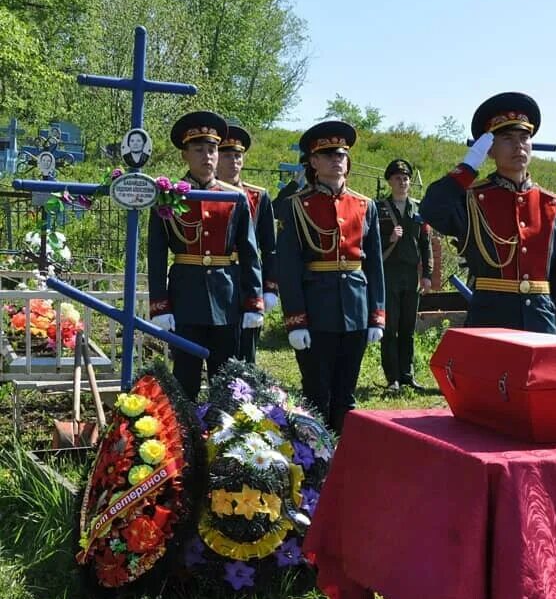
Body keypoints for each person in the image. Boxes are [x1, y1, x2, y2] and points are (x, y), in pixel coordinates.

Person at [420, 91, 556, 336]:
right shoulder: (472, 200)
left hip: (541, 321)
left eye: (524, 138)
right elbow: (431, 208)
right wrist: (469, 166)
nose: (518, 146)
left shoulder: (554, 205)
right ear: (490, 149)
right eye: (507, 138)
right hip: (491, 318)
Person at [273, 120, 385, 433]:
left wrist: (377, 315)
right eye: (328, 154)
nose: (337, 159)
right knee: (316, 392)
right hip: (316, 308)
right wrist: (295, 319)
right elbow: (288, 266)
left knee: (346, 394)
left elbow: (374, 264)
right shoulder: (295, 206)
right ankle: (316, 461)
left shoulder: (365, 206)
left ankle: (345, 457)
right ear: (313, 162)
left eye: (342, 154)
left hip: (356, 308)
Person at [148, 110, 264, 400]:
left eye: (212, 149)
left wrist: (253, 301)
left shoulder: (234, 197)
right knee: (184, 379)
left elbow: (250, 253)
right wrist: (160, 305)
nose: (207, 156)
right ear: (184, 155)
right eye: (198, 149)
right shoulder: (167, 197)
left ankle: (223, 440)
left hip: (227, 299)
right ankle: (185, 440)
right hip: (186, 297)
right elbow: (157, 253)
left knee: (226, 379)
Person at [218, 124, 278, 363]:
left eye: (238, 155)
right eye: (227, 155)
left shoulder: (257, 196)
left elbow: (269, 246)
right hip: (217, 277)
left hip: (248, 280)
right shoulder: (199, 191)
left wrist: (271, 287)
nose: (234, 161)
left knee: (246, 348)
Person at [377, 158, 433, 392]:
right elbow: (368, 244)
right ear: (389, 181)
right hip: (388, 274)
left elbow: (426, 244)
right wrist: (388, 239)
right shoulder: (378, 208)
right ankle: (393, 379)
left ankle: (407, 375)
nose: (402, 182)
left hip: (411, 275)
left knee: (408, 328)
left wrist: (427, 274)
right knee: (390, 329)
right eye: (398, 178)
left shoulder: (419, 209)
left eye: (406, 178)